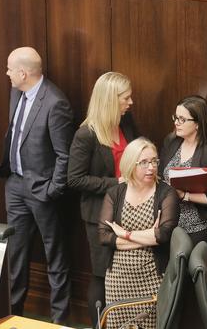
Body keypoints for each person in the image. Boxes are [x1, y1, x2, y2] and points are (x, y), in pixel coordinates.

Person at [0, 46, 73, 323]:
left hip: (43, 192)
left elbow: (65, 155)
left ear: (23, 72)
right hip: (15, 185)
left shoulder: (55, 103)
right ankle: (12, 317)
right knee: (15, 255)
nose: (6, 73)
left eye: (9, 68)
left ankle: (59, 322)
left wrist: (52, 190)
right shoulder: (16, 92)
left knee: (55, 257)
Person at [67, 71, 136, 328]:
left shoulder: (126, 124)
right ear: (110, 99)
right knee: (101, 273)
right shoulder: (86, 134)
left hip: (130, 210)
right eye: (126, 98)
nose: (131, 103)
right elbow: (74, 179)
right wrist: (115, 183)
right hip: (100, 215)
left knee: (125, 273)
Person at [99, 137, 178, 329]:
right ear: (130, 164)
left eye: (154, 161)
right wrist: (148, 236)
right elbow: (104, 236)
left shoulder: (166, 194)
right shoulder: (115, 193)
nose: (151, 167)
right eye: (144, 162)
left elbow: (163, 235)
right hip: (117, 278)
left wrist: (125, 234)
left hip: (152, 278)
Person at [158, 95, 207, 258]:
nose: (176, 122)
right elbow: (160, 174)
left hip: (201, 228)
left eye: (182, 119)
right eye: (175, 117)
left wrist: (185, 195)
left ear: (197, 124)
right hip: (171, 225)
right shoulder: (171, 142)